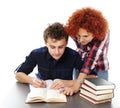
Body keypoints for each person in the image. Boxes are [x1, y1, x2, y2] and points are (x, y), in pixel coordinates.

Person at [15, 22, 83, 95]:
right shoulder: (36, 54)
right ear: (46, 43)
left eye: (61, 47)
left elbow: (90, 76)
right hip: (43, 93)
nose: (57, 52)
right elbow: (18, 75)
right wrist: (32, 80)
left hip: (66, 94)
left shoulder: (73, 55)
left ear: (66, 43)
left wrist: (69, 82)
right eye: (52, 47)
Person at [64, 7, 110, 95]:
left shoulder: (104, 33)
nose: (81, 40)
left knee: (101, 95)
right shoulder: (74, 29)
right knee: (78, 96)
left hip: (99, 68)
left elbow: (91, 59)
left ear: (95, 33)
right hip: (80, 66)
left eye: (85, 36)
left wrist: (78, 82)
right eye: (78, 36)